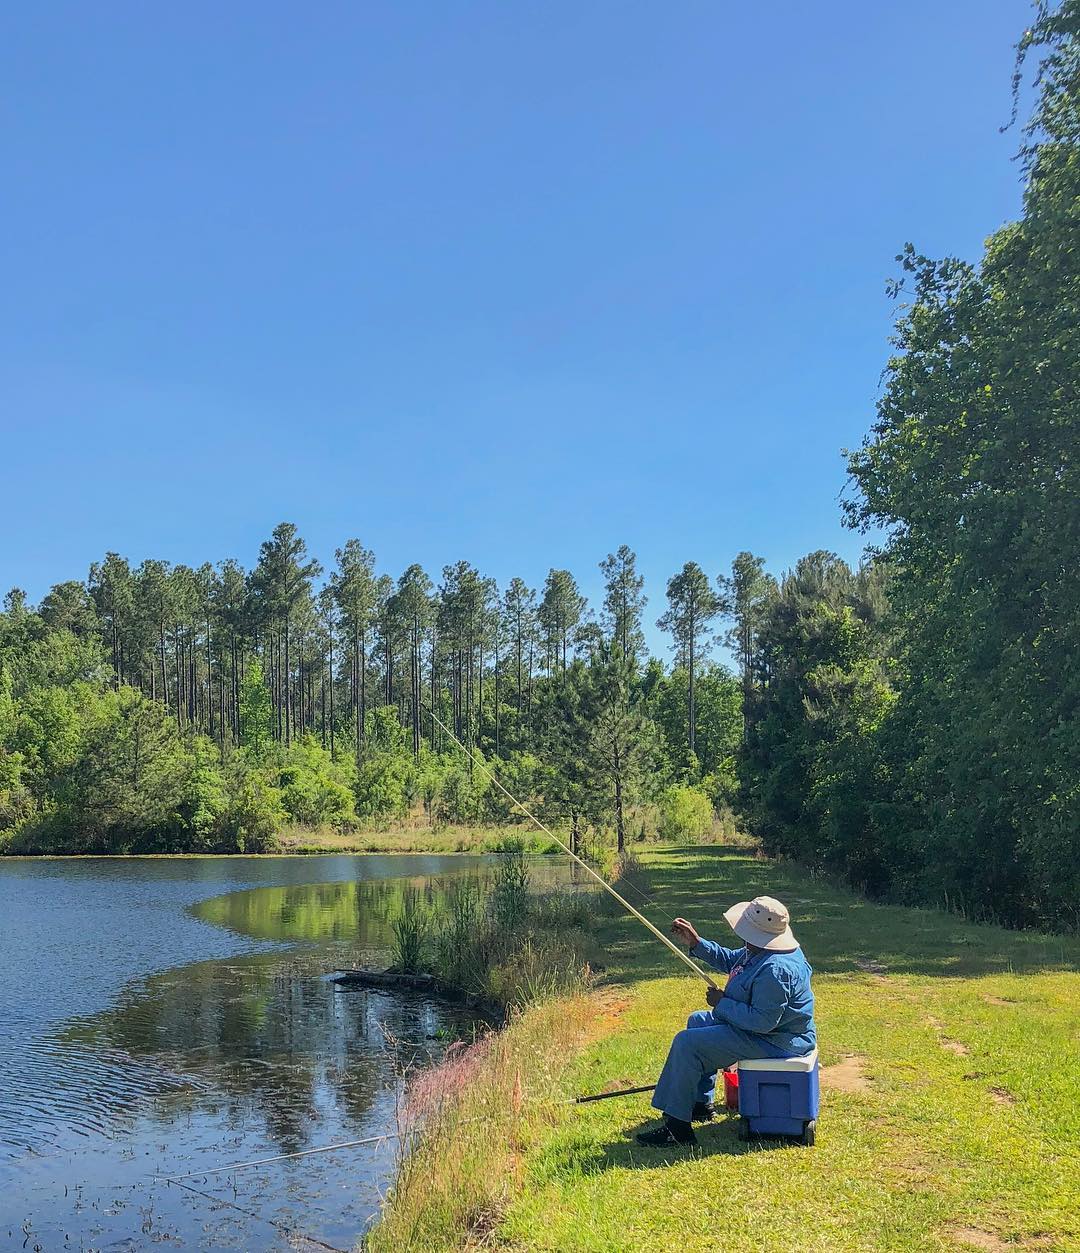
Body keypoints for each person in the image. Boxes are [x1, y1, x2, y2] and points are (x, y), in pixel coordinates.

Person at [636, 895, 816, 1148]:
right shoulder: (760, 951)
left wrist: (722, 1003)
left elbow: (763, 1021)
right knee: (698, 1021)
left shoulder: (776, 969)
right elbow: (733, 961)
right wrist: (697, 943)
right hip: (766, 1032)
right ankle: (699, 1103)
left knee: (687, 1043)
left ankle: (677, 1128)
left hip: (777, 1041)